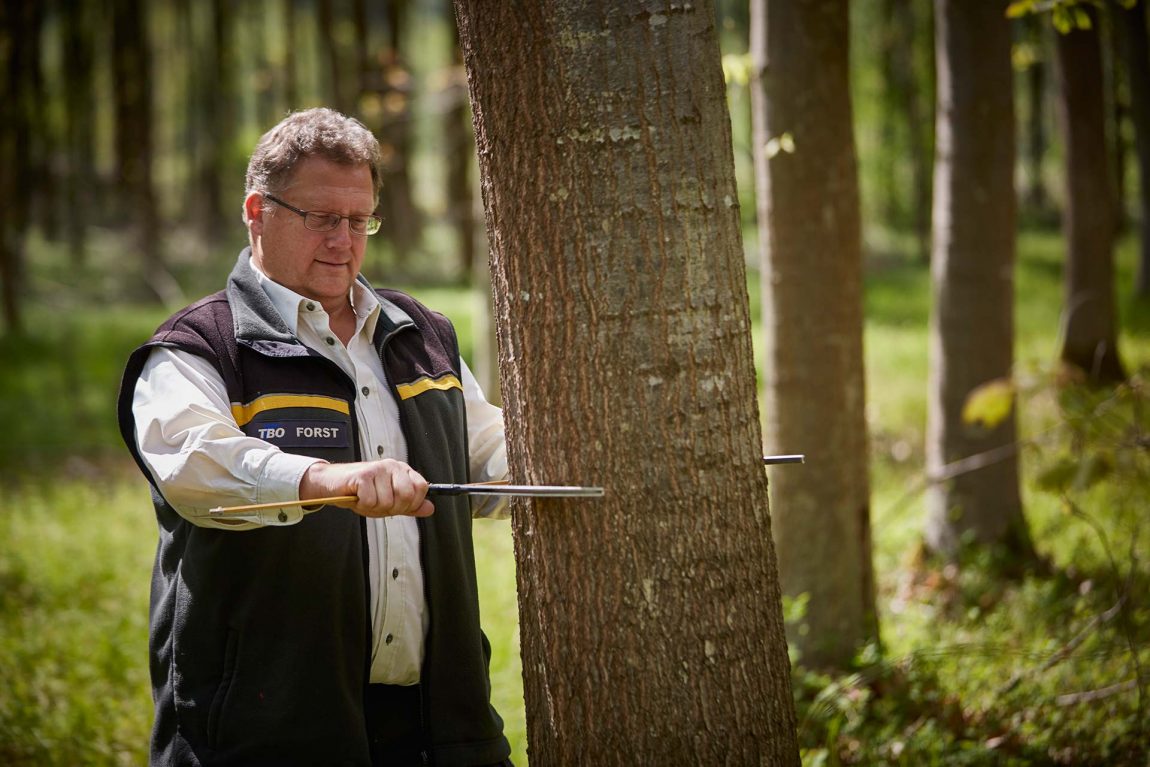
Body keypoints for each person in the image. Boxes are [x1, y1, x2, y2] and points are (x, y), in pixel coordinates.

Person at [117, 107, 513, 767]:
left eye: (360, 220)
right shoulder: (196, 349)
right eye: (322, 218)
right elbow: (197, 469)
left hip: (441, 731)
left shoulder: (421, 333)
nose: (343, 240)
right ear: (257, 210)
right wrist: (331, 480)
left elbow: (491, 461)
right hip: (262, 737)